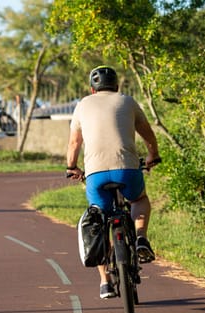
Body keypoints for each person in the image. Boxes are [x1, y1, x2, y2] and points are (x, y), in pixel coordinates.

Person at [66, 65, 161, 299]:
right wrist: (153, 155)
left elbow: (74, 144)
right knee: (139, 199)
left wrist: (72, 168)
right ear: (117, 86)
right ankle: (140, 238)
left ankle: (105, 283)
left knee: (98, 221)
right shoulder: (127, 101)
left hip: (96, 175)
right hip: (127, 171)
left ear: (92, 89)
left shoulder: (82, 105)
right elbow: (147, 133)